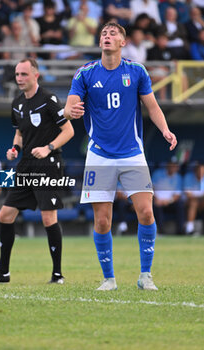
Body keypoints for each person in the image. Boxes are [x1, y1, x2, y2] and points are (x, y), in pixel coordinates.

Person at [64, 22, 177, 291]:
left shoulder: (136, 71)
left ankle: (145, 275)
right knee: (102, 220)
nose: (107, 36)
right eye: (104, 33)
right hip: (99, 155)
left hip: (132, 153)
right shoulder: (85, 73)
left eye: (113, 33)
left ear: (123, 42)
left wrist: (165, 130)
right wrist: (71, 113)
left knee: (147, 212)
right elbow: (69, 107)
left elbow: (152, 106)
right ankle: (109, 279)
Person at [0, 58, 74, 284]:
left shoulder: (48, 99)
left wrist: (48, 148)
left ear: (35, 75)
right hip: (25, 165)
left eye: (24, 74)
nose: (19, 78)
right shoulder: (17, 103)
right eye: (17, 75)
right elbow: (19, 133)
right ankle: (3, 272)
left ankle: (57, 274)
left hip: (48, 165)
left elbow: (68, 131)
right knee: (5, 214)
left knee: (48, 217)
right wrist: (14, 149)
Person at [152, 157, 185, 235]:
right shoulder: (157, 173)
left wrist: (169, 201)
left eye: (175, 166)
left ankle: (180, 231)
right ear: (167, 165)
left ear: (177, 167)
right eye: (171, 165)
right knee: (155, 205)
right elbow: (151, 188)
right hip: (157, 200)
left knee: (180, 204)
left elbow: (177, 194)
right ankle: (160, 230)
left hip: (170, 202)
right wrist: (156, 199)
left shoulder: (178, 177)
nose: (172, 167)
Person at [183, 162, 204, 235]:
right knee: (193, 203)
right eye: (199, 171)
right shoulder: (189, 177)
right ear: (195, 171)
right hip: (188, 202)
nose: (201, 173)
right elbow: (188, 195)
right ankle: (190, 229)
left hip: (201, 202)